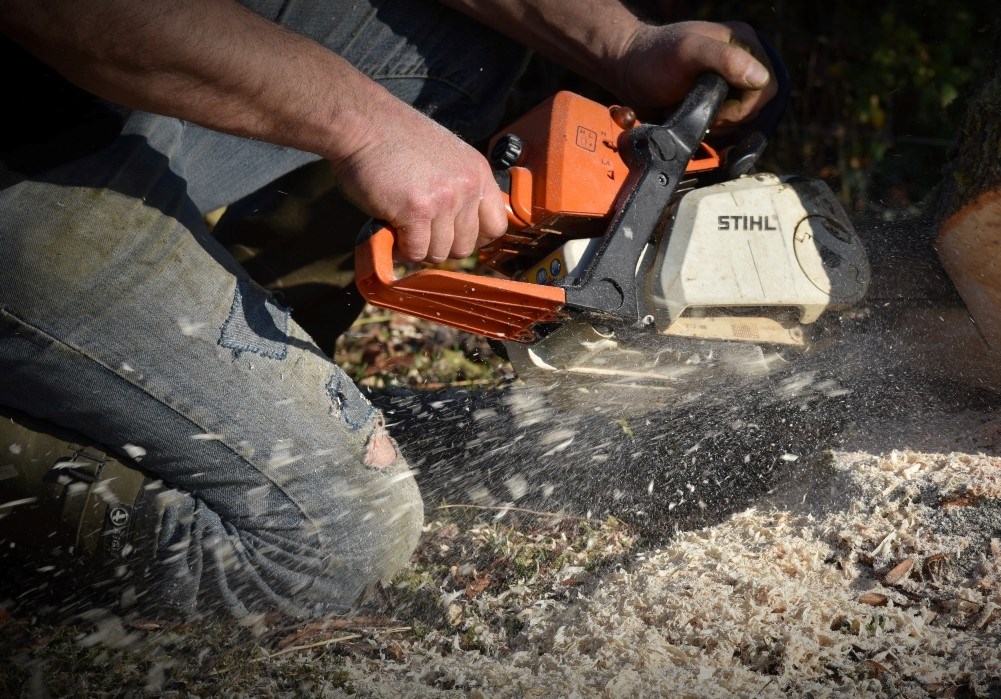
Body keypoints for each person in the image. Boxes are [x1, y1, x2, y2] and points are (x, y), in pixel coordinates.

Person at [0, 0, 776, 620]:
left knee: (460, 49)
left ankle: (242, 368)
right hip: (33, 149)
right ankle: (66, 436)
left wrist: (624, 43)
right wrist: (364, 126)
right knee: (343, 535)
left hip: (106, 95)